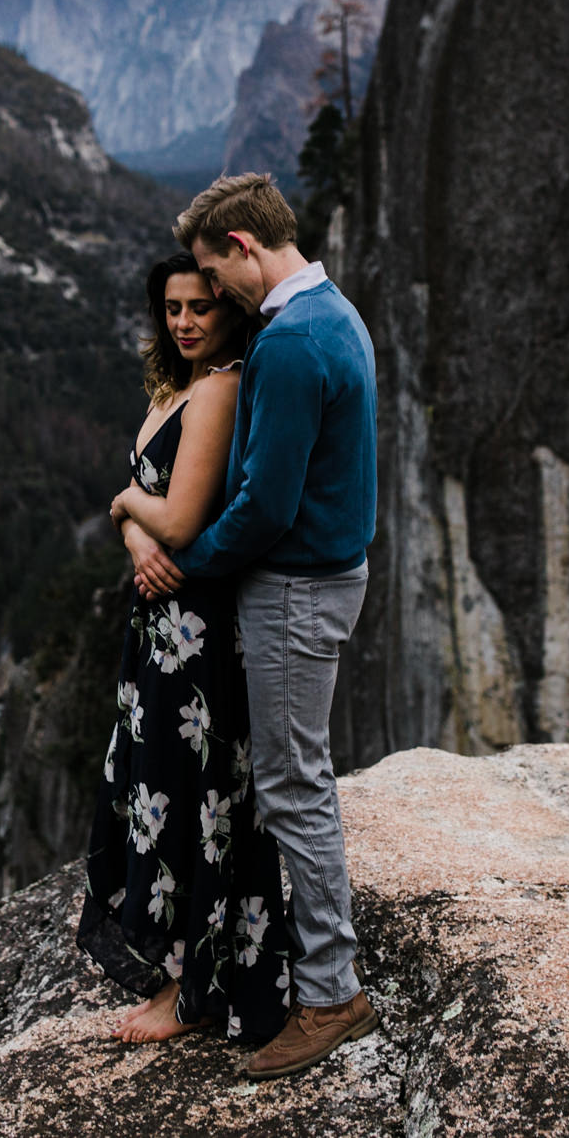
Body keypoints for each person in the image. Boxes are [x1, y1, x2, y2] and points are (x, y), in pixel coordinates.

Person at [123, 172, 379, 1080]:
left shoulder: (294, 340)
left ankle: (329, 992)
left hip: (296, 588)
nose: (208, 296)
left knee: (291, 781)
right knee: (292, 774)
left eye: (209, 272)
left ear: (241, 247)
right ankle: (311, 970)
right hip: (322, 577)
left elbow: (266, 506)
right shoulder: (333, 312)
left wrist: (180, 564)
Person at [79, 251, 294, 1047]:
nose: (185, 321)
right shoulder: (175, 386)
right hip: (159, 631)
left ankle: (194, 988)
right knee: (159, 791)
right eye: (172, 307)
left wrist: (128, 507)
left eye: (200, 305)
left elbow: (179, 519)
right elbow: (151, 522)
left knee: (195, 800)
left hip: (195, 636)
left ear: (229, 308)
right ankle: (184, 974)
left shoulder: (221, 388)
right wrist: (134, 528)